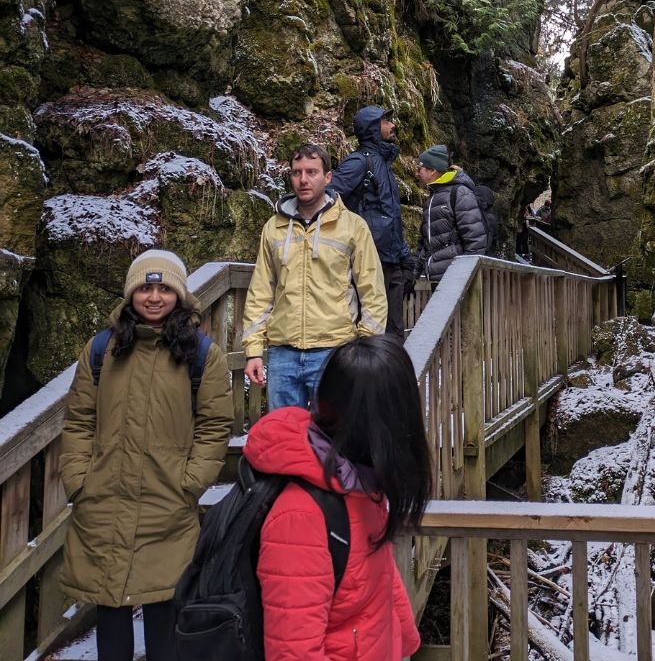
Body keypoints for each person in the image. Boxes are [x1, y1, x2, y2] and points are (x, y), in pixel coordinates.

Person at [60, 249, 233, 661]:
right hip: (104, 497)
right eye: (145, 288)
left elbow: (214, 426)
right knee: (109, 604)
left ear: (179, 295)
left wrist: (190, 482)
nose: (154, 298)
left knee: (164, 605)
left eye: (164, 289)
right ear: (130, 293)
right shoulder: (102, 349)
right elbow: (79, 420)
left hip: (167, 499)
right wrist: (79, 480)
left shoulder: (201, 354)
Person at [244, 335, 432, 661]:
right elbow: (294, 652)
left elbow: (378, 573)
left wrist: (406, 639)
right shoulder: (300, 518)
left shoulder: (360, 479)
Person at [242, 143, 387, 410]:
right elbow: (261, 291)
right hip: (283, 352)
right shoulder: (273, 228)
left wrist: (365, 347)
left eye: (312, 172)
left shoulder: (353, 226)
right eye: (297, 172)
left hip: (335, 350)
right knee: (284, 432)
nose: (303, 179)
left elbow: (372, 291)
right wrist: (253, 350)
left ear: (327, 177)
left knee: (334, 431)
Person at [331, 106, 417, 337]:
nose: (393, 125)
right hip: (368, 263)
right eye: (385, 121)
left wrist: (405, 259)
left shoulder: (383, 166)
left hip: (391, 263)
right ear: (372, 128)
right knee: (371, 336)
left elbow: (391, 217)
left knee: (394, 336)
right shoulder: (358, 163)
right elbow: (327, 198)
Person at [415, 143, 488, 282]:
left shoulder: (460, 193)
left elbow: (476, 240)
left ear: (433, 170)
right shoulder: (433, 197)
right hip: (438, 278)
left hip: (455, 281)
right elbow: (425, 243)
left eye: (420, 169)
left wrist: (462, 277)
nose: (416, 174)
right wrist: (413, 275)